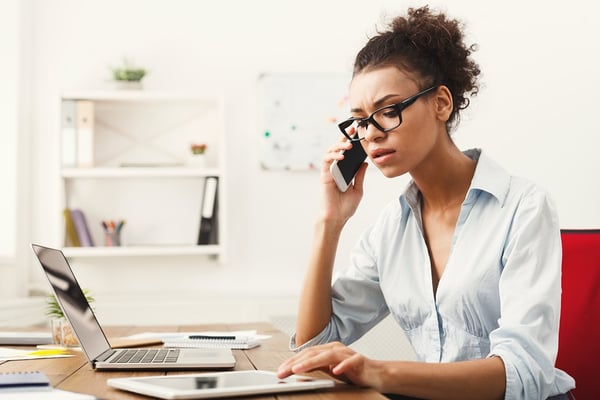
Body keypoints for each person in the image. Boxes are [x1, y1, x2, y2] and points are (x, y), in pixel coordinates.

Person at [276, 6, 575, 400]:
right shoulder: (391, 229)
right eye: (361, 120)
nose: (371, 134)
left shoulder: (523, 206)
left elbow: (524, 371)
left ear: (441, 104)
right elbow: (315, 345)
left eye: (388, 110)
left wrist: (379, 371)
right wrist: (329, 222)